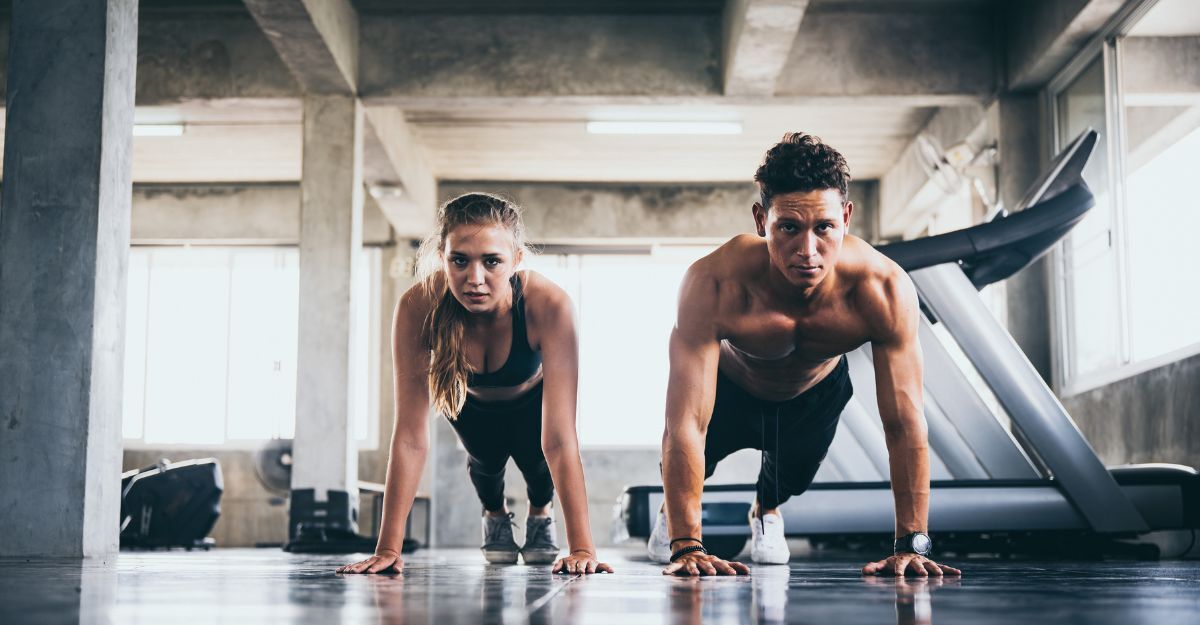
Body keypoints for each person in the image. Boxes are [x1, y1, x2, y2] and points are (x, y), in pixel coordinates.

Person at [653, 133, 962, 578]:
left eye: (824, 228)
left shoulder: (884, 289)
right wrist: (687, 547)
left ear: (847, 218)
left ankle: (766, 511)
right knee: (682, 461)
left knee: (791, 479)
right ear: (762, 220)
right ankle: (673, 518)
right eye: (789, 228)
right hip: (731, 386)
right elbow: (684, 423)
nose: (808, 251)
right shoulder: (713, 283)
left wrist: (911, 544)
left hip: (815, 393)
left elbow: (905, 420)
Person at [338, 193, 611, 575]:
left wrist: (582, 547)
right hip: (470, 404)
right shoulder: (418, 306)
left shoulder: (548, 305)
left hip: (531, 401)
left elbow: (561, 440)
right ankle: (495, 515)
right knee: (485, 465)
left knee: (538, 465)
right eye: (460, 260)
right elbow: (410, 437)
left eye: (492, 261)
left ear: (516, 260)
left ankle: (540, 515)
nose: (475, 279)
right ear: (443, 257)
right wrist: (387, 548)